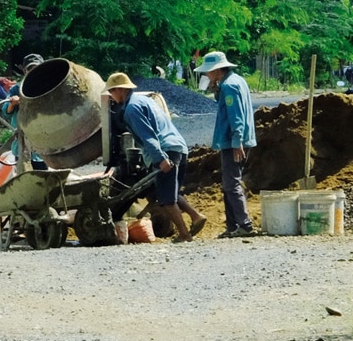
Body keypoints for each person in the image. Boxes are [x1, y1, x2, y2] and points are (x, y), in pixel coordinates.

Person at [105, 73, 194, 242]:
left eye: (112, 92)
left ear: (120, 90)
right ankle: (196, 216)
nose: (111, 96)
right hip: (178, 146)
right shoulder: (146, 100)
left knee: (166, 198)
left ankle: (185, 235)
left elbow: (148, 137)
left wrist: (160, 158)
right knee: (170, 192)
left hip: (165, 149)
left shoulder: (131, 109)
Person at [198, 50, 256, 238]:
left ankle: (244, 225)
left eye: (208, 71)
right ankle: (233, 227)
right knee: (229, 183)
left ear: (216, 70)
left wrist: (237, 141)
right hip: (236, 140)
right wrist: (215, 89)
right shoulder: (235, 81)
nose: (206, 75)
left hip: (233, 141)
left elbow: (236, 116)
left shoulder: (230, 86)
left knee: (231, 184)